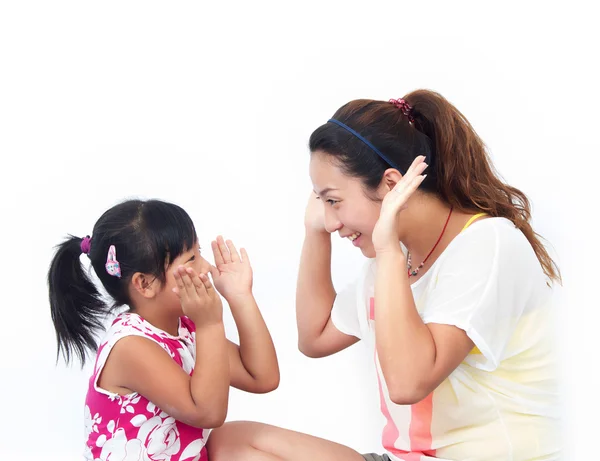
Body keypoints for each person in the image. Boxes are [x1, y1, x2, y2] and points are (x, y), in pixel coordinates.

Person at [207, 90, 561, 460]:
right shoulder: (398, 258)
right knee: (232, 443)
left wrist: (389, 250)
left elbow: (408, 383)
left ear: (391, 185)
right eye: (321, 201)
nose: (331, 220)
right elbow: (315, 337)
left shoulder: (487, 244)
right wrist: (315, 234)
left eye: (333, 200)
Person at [48, 198, 279, 461]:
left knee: (246, 438)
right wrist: (210, 324)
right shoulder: (130, 346)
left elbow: (262, 377)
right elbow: (209, 413)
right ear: (145, 284)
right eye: (191, 258)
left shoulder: (183, 326)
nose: (206, 267)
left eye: (199, 251)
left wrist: (240, 296)